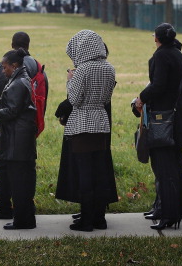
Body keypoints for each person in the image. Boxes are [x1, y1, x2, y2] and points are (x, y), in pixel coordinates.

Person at [0, 31, 48, 220]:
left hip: (10, 126)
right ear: (28, 44)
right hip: (30, 123)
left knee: (6, 167)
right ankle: (26, 208)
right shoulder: (37, 65)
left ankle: (5, 208)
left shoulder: (11, 65)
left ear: (12, 44)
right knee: (26, 170)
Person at [134, 23, 182, 230]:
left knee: (164, 168)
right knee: (173, 166)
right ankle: (167, 208)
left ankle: (169, 214)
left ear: (156, 38)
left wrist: (141, 98)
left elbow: (158, 85)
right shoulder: (177, 53)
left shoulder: (162, 55)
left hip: (163, 119)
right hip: (176, 116)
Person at [0, 48, 38, 230]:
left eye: (5, 67)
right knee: (19, 179)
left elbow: (11, 111)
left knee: (19, 181)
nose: (3, 71)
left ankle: (23, 220)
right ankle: (22, 218)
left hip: (18, 138)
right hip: (17, 136)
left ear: (14, 65)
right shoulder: (18, 79)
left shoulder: (19, 82)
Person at [62, 30, 116, 231]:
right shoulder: (109, 68)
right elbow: (107, 97)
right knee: (99, 173)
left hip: (83, 124)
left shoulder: (83, 69)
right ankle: (99, 218)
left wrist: (70, 79)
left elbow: (74, 100)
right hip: (101, 122)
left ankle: (85, 221)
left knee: (85, 175)